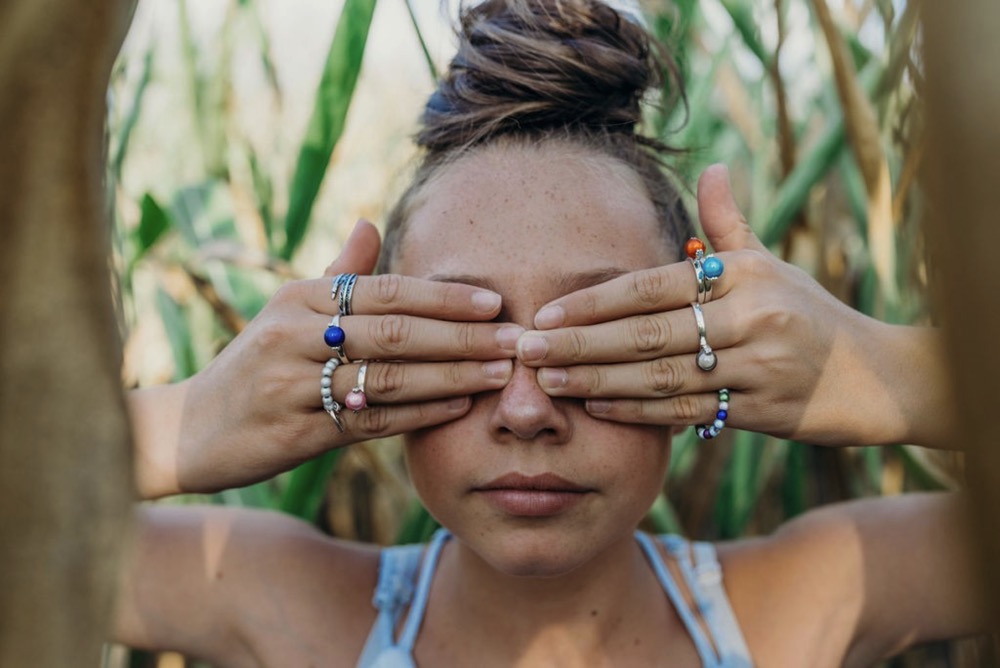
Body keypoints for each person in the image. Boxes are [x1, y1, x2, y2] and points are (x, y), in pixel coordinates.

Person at [117, 1, 986, 666]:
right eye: (468, 339)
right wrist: (183, 424)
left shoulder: (805, 600)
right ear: (370, 353)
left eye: (605, 335)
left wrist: (891, 372)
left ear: (703, 343)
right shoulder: (280, 600)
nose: (527, 411)